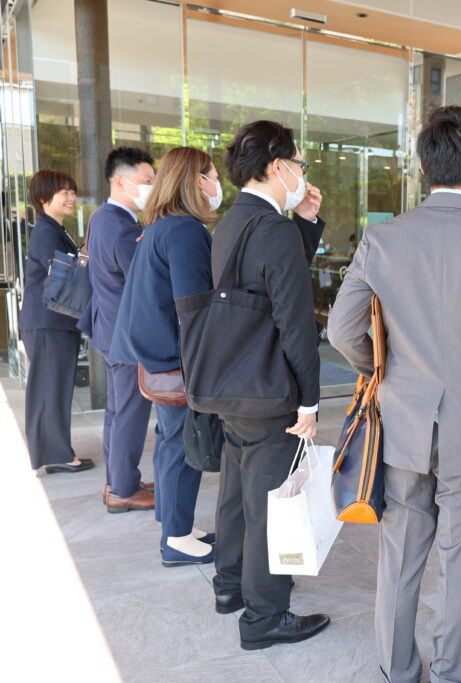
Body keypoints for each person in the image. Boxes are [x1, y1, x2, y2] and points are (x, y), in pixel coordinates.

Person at [329, 105, 461, 683]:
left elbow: (342, 331)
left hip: (402, 424)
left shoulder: (382, 239)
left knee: (399, 556)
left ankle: (398, 670)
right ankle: (451, 674)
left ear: (424, 168)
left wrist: (382, 372)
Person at [209, 120, 328, 651]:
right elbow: (294, 322)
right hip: (269, 388)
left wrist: (305, 224)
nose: (302, 173)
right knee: (270, 507)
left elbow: (264, 283)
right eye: (300, 164)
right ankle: (264, 618)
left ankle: (230, 585)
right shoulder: (272, 228)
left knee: (238, 494)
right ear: (278, 166)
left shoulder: (234, 222)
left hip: (233, 382)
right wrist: (309, 400)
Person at [109, 147, 219, 564]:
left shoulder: (161, 225)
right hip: (175, 359)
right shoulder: (185, 230)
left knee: (171, 442)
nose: (216, 185)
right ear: (195, 181)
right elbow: (193, 308)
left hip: (159, 356)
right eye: (211, 176)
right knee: (179, 446)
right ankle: (175, 537)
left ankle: (176, 526)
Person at [86, 147, 157, 512]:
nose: (152, 187)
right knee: (130, 413)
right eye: (147, 180)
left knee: (117, 412)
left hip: (108, 330)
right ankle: (123, 490)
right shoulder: (122, 229)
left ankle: (118, 480)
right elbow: (144, 284)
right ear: (120, 181)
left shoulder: (101, 217)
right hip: (126, 338)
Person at [19, 170, 91, 473]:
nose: (72, 197)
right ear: (43, 198)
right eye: (64, 192)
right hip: (48, 322)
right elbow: (65, 277)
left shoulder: (55, 230)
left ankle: (55, 452)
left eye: (72, 191)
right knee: (50, 390)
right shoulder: (47, 232)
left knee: (53, 388)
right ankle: (57, 455)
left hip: (53, 322)